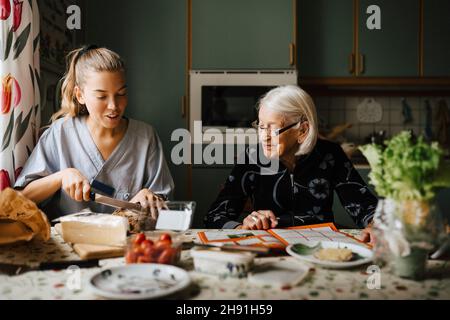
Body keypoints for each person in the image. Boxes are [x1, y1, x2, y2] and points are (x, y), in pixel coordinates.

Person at [15, 45, 174, 221]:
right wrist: (61, 176)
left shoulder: (146, 137)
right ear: (80, 95)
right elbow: (21, 200)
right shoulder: (60, 133)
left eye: (121, 94)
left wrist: (151, 197)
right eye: (101, 96)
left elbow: (165, 209)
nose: (113, 105)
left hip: (128, 243)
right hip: (69, 244)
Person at [204, 85, 377, 243]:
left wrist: (375, 224)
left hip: (319, 247)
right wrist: (242, 227)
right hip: (269, 248)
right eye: (261, 126)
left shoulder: (330, 155)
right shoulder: (252, 158)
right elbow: (215, 215)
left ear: (302, 130)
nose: (264, 136)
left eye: (273, 128)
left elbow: (364, 205)